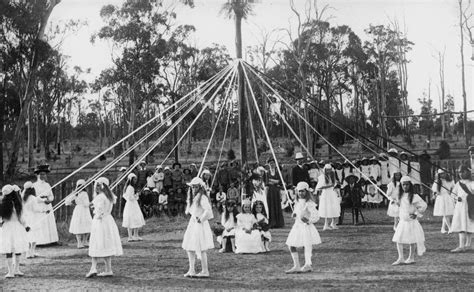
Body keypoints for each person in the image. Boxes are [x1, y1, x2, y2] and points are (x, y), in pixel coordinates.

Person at [86, 177, 123, 278]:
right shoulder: (109, 196)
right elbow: (104, 208)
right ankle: (108, 269)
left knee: (96, 243)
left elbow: (99, 211)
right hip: (108, 221)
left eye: (98, 185)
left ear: (103, 186)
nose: (96, 188)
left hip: (100, 222)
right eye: (96, 186)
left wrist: (96, 212)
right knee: (105, 244)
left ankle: (94, 268)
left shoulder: (100, 197)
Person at [285, 182, 321, 273]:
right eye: (299, 191)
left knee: (307, 245)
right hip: (297, 226)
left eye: (303, 191)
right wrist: (295, 214)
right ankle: (296, 265)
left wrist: (308, 221)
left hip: (306, 227)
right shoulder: (297, 202)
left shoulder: (310, 203)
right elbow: (298, 212)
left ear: (307, 192)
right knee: (291, 244)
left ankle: (308, 264)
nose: (300, 193)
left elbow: (316, 216)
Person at [182, 177, 214, 278]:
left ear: (200, 187)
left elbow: (208, 210)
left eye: (196, 187)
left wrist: (201, 218)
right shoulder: (193, 196)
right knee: (189, 247)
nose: (194, 189)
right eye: (192, 187)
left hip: (200, 224)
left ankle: (205, 271)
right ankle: (191, 270)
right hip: (193, 223)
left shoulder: (202, 197)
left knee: (201, 247)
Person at [392, 176, 427, 266]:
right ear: (401, 186)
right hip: (403, 222)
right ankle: (401, 258)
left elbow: (423, 205)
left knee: (412, 240)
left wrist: (416, 213)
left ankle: (411, 258)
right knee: (398, 239)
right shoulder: (400, 196)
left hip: (411, 221)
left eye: (407, 185)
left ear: (410, 185)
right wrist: (396, 203)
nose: (405, 186)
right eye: (403, 185)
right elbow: (400, 207)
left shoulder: (414, 196)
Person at [0, 185, 29, 278]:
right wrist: (26, 226)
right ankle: (16, 270)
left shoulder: (2, 204)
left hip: (7, 228)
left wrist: (1, 222)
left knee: (9, 249)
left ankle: (10, 272)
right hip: (17, 227)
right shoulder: (17, 204)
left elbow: (1, 219)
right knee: (17, 248)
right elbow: (21, 218)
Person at [32, 164, 59, 245]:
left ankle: (50, 241)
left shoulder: (47, 185)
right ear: (37, 175)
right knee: (41, 222)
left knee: (48, 221)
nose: (42, 176)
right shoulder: (34, 185)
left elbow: (51, 195)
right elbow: (34, 198)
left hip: (47, 205)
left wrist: (50, 200)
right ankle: (40, 242)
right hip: (39, 205)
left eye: (44, 174)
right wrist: (43, 200)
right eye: (41, 174)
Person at [450, 165, 474, 252]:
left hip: (469, 207)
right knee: (461, 225)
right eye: (459, 172)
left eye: (463, 172)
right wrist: (457, 198)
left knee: (469, 225)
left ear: (468, 172)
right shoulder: (458, 183)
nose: (461, 174)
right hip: (460, 207)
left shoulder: (471, 183)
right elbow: (453, 195)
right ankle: (461, 246)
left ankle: (468, 244)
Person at [22, 182, 48, 258]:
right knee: (34, 234)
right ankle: (32, 252)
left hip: (26, 217)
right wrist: (44, 211)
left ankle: (28, 253)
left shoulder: (23, 197)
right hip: (33, 217)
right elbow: (36, 209)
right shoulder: (32, 198)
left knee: (28, 235)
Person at [65, 179, 92, 248]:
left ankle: (80, 242)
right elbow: (86, 204)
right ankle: (84, 241)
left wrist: (71, 203)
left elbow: (67, 201)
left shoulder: (75, 193)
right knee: (87, 224)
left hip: (78, 210)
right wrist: (91, 203)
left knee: (79, 225)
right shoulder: (84, 193)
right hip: (84, 210)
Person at [316, 164, 341, 230]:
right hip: (326, 193)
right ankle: (326, 224)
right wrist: (329, 186)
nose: (329, 171)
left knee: (334, 207)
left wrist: (335, 184)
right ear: (325, 170)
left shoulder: (333, 176)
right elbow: (319, 187)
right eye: (327, 170)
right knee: (326, 208)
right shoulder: (322, 177)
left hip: (332, 193)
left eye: (330, 170)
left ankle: (333, 223)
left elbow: (334, 184)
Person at [122, 173, 146, 241]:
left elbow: (125, 196)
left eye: (136, 179)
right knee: (131, 219)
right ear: (131, 180)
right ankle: (130, 236)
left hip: (133, 204)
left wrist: (135, 195)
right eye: (134, 179)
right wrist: (137, 195)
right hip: (131, 205)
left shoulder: (130, 187)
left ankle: (135, 235)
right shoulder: (130, 187)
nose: (135, 180)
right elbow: (130, 198)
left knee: (136, 218)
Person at [432, 169, 455, 233]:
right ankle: (450, 228)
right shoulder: (437, 182)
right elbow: (435, 191)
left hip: (448, 198)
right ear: (439, 175)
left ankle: (443, 229)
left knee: (447, 214)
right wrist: (435, 193)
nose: (443, 175)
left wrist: (452, 193)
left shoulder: (450, 181)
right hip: (441, 198)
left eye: (444, 173)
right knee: (446, 214)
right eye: (441, 174)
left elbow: (454, 188)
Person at [266, 158, 285, 228]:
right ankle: (272, 222)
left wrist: (273, 181)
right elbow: (267, 182)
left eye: (273, 163)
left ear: (275, 164)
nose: (272, 164)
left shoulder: (278, 172)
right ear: (268, 164)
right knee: (271, 205)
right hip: (270, 191)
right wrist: (275, 181)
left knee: (277, 205)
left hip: (276, 191)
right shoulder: (267, 172)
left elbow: (280, 181)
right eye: (270, 163)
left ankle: (278, 223)